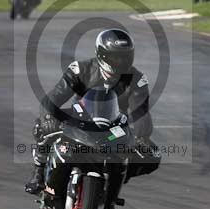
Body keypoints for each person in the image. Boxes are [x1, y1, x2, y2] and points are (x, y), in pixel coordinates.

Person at [24, 28, 160, 195]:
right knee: (41, 126)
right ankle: (38, 171)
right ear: (101, 54)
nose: (119, 61)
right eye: (114, 56)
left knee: (152, 154)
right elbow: (52, 99)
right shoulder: (80, 70)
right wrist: (48, 118)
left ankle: (116, 179)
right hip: (80, 120)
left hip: (114, 128)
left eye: (124, 57)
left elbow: (142, 113)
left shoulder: (137, 79)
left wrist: (141, 137)